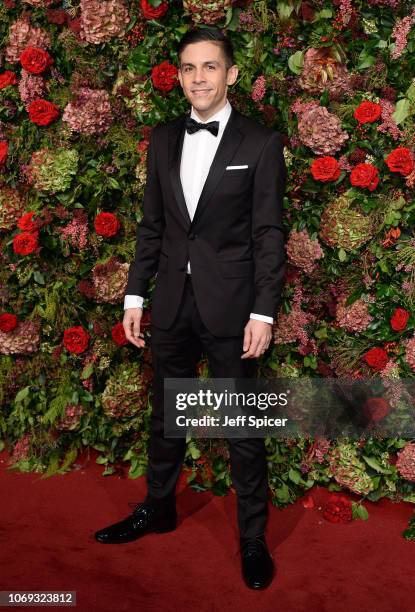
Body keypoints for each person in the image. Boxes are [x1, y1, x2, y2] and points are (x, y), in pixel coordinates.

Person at [94, 26, 287, 590]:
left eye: (209, 67)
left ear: (231, 74)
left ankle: (253, 538)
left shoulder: (260, 144)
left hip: (233, 309)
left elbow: (269, 235)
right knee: (165, 417)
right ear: (179, 76)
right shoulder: (162, 139)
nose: (197, 77)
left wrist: (264, 312)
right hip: (172, 305)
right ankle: (159, 507)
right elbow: (153, 225)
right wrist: (135, 295)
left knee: (242, 430)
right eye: (187, 68)